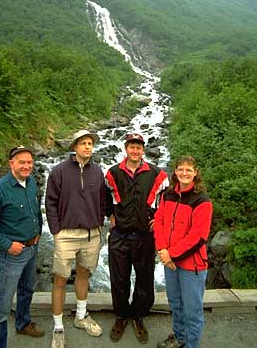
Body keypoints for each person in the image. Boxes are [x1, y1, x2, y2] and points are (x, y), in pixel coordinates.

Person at [0, 145, 44, 348]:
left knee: (27, 289)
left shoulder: (31, 182)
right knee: (1, 306)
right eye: (22, 162)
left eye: (29, 162)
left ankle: (23, 323)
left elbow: (35, 210)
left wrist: (38, 232)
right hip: (11, 255)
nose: (26, 166)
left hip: (32, 248)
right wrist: (7, 245)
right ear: (11, 163)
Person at [105, 133, 169, 344]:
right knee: (119, 278)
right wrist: (110, 215)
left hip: (144, 236)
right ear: (126, 148)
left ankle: (139, 315)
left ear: (143, 150)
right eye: (132, 146)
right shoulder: (113, 173)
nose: (135, 150)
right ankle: (122, 316)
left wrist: (158, 220)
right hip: (120, 235)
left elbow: (166, 201)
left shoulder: (157, 174)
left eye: (139, 147)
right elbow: (104, 197)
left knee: (144, 278)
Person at [45, 129, 106, 348]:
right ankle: (58, 327)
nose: (88, 146)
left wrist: (100, 222)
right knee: (60, 278)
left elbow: (102, 200)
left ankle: (81, 316)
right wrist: (55, 230)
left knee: (83, 274)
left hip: (92, 233)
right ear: (74, 147)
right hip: (66, 233)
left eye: (90, 143)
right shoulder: (59, 171)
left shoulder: (97, 171)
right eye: (83, 143)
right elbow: (50, 202)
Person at [154, 155, 213, 348]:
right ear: (175, 172)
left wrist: (171, 254)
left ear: (196, 173)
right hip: (170, 261)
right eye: (180, 169)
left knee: (192, 312)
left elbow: (198, 237)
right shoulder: (167, 195)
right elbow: (159, 222)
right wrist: (163, 250)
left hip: (191, 266)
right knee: (176, 304)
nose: (184, 173)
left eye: (189, 169)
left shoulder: (202, 201)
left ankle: (191, 345)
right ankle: (179, 338)